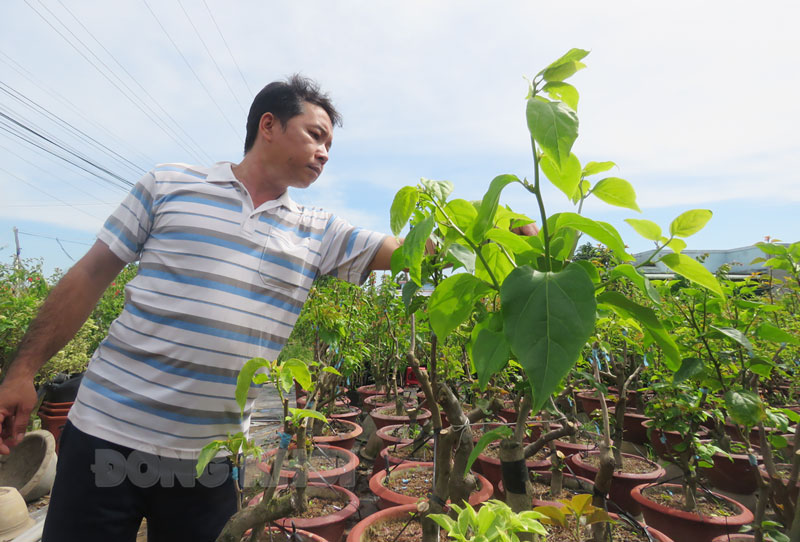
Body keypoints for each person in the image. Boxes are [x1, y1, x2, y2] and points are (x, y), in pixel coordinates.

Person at [0, 75, 400, 541]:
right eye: (316, 135)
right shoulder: (169, 185)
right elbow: (89, 276)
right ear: (268, 125)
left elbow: (405, 251)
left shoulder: (318, 231)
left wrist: (489, 233)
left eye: (330, 143)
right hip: (107, 434)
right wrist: (22, 370)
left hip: (209, 460)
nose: (325, 152)